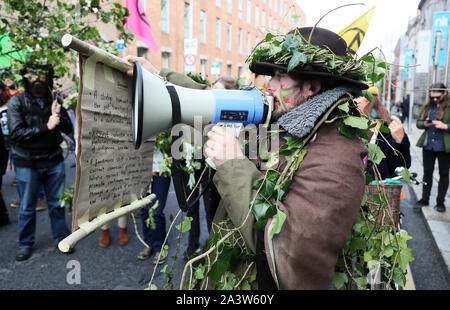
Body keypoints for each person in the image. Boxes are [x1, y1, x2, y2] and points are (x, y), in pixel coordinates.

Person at [204, 27, 369, 289]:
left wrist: (233, 165)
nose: (269, 85)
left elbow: (289, 254)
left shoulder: (339, 158)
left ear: (313, 87)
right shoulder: (289, 124)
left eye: (280, 76)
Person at [8, 63, 74, 261]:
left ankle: (62, 238)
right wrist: (46, 126)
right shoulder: (17, 102)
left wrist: (59, 116)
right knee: (28, 205)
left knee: (56, 203)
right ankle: (25, 244)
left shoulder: (55, 100)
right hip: (27, 162)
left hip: (53, 160)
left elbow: (68, 128)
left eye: (42, 74)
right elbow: (16, 134)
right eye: (32, 74)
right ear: (25, 77)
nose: (37, 78)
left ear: (49, 76)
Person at [356, 86, 411, 179]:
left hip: (376, 188)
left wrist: (400, 142)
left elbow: (400, 167)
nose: (353, 101)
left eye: (356, 96)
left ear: (367, 100)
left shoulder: (386, 128)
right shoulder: (346, 124)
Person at [416, 83, 450, 213]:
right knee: (427, 173)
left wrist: (445, 126)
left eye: (437, 97)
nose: (434, 99)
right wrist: (424, 124)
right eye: (432, 97)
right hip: (428, 145)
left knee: (444, 174)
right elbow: (419, 122)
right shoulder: (428, 105)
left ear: (445, 93)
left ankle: (440, 202)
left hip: (444, 147)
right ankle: (424, 199)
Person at [137, 150, 171, 265]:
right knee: (144, 210)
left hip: (160, 167)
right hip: (140, 167)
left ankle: (159, 247)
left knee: (156, 211)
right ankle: (149, 243)